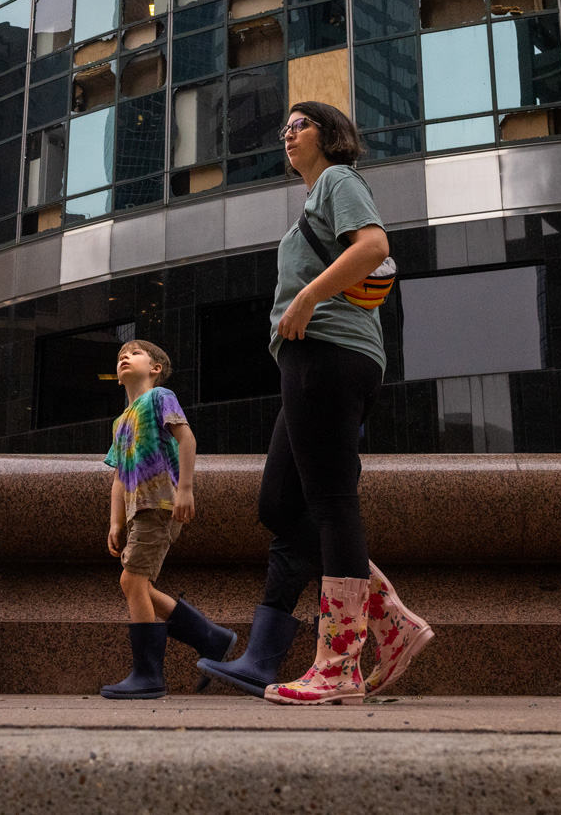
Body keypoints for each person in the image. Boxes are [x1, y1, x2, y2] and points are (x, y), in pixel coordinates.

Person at [197, 101, 435, 706]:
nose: (287, 134)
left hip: (330, 353)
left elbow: (374, 246)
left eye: (299, 125)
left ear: (328, 135)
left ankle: (339, 664)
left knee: (330, 503)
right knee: (281, 503)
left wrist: (305, 298)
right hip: (309, 361)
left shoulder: (338, 179)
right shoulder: (314, 199)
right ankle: (393, 625)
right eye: (284, 127)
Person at [99, 338, 238, 698]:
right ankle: (212, 638)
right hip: (138, 511)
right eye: (120, 356)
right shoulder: (120, 422)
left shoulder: (160, 398)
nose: (125, 358)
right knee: (136, 584)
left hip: (161, 504)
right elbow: (117, 478)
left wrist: (186, 489)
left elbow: (187, 438)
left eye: (135, 353)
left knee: (132, 582)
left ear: (156, 368)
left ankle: (149, 675)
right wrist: (116, 522)